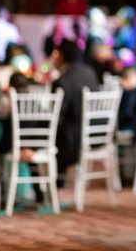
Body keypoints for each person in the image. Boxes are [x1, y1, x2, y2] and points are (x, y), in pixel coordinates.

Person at [51, 39, 99, 186]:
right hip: (95, 133)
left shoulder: (62, 81)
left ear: (61, 55)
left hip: (73, 141)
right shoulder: (90, 72)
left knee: (48, 134)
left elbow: (56, 116)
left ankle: (54, 186)